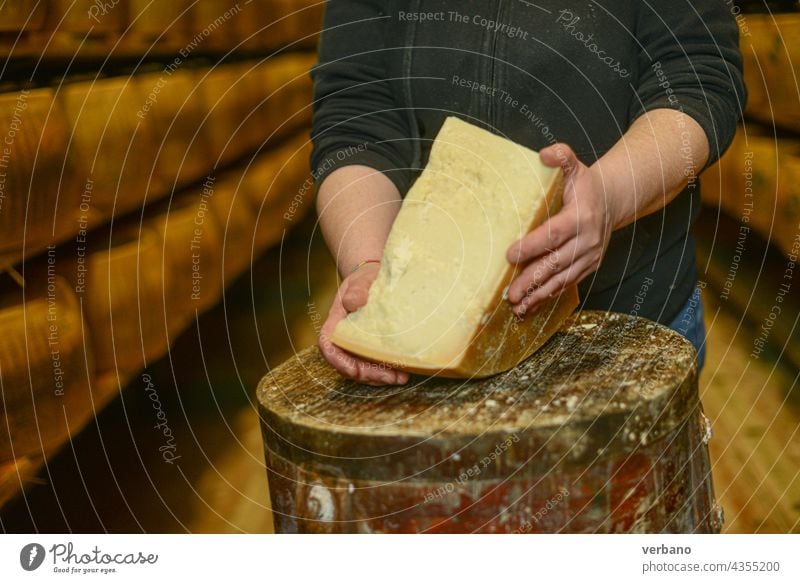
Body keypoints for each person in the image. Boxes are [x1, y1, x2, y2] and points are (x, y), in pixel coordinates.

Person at [310, 0, 746, 386]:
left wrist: (609, 197)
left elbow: (695, 76)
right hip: (427, 331)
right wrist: (369, 269)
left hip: (628, 312)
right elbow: (356, 111)